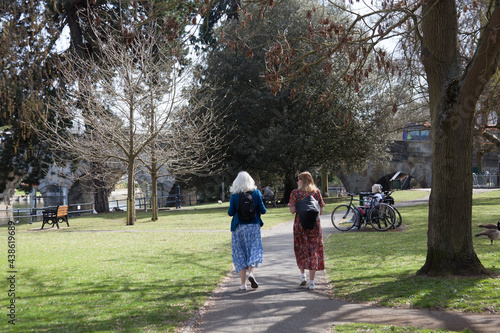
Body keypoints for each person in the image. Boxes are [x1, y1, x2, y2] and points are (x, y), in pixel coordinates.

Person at [228, 171, 267, 291]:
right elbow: (263, 210)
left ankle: (243, 284)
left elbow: (230, 213)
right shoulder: (256, 193)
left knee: (239, 253)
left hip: (239, 227)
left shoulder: (234, 195)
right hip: (253, 227)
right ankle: (251, 273)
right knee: (253, 251)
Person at [288, 171, 325, 290]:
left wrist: (293, 205)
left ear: (303, 180)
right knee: (313, 250)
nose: (297, 181)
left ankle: (303, 275)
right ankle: (312, 282)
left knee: (301, 249)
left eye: (298, 179)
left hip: (300, 225)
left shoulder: (295, 193)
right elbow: (321, 210)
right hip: (314, 226)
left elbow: (292, 211)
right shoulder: (316, 192)